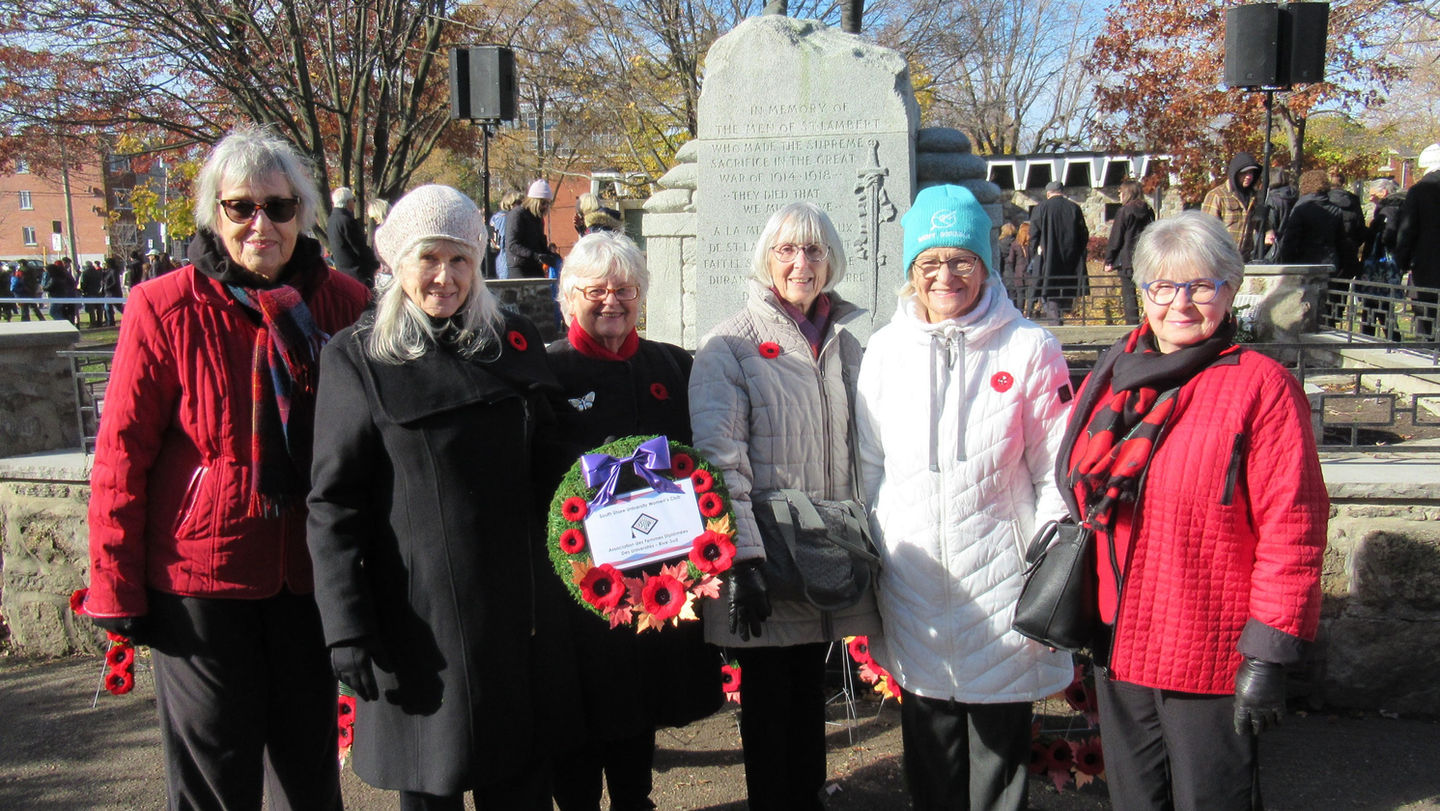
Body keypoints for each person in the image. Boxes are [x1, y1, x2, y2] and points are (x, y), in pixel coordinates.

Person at [77, 124, 369, 809]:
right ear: (214, 214)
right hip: (200, 585)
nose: (260, 223)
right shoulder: (164, 306)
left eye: (279, 206)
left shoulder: (344, 305)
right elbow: (121, 455)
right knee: (215, 783)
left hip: (307, 579)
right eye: (241, 207)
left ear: (305, 214)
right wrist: (114, 588)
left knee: (310, 779)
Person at [1056, 211, 1327, 810]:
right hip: (1119, 640)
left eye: (1202, 285)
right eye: (1163, 286)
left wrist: (1269, 652)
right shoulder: (1115, 374)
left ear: (1230, 291)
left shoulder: (1261, 385)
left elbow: (1295, 528)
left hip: (1208, 650)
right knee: (1135, 801)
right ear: (1142, 292)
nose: (1181, 302)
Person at [307, 184, 558, 810]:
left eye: (461, 260)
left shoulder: (511, 341)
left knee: (520, 784)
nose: (445, 278)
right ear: (397, 262)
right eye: (429, 259)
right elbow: (333, 504)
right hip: (419, 622)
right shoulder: (359, 357)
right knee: (431, 789)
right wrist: (346, 627)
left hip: (515, 617)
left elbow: (555, 467)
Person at [854, 185, 1074, 811]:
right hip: (915, 583)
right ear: (911, 274)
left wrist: (1044, 560)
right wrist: (883, 538)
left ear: (984, 264)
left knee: (998, 764)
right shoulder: (885, 353)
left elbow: (1055, 469)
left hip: (1004, 580)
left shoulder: (1030, 347)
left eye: (961, 260)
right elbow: (871, 465)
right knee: (931, 756)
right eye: (930, 263)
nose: (946, 276)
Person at [689, 201, 882, 811]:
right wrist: (742, 558)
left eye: (815, 251)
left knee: (807, 692)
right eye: (787, 251)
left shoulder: (846, 345)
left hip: (823, 549)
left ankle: (807, 798)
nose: (802, 263)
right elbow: (721, 460)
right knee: (771, 703)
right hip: (766, 554)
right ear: (766, 260)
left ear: (831, 262)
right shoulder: (730, 346)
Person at [545, 231, 723, 811]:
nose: (611, 302)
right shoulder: (546, 374)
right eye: (595, 291)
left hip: (651, 578)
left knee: (635, 709)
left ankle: (635, 801)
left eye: (624, 289)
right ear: (569, 298)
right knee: (574, 720)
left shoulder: (671, 367)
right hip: (574, 583)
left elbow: (700, 465)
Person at [1278, 169, 1360, 278]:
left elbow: (1291, 239)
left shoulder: (1301, 208)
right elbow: (1340, 240)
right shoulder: (1335, 209)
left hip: (1304, 263)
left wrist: (1286, 263)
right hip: (1329, 262)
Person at [1028, 180, 1089, 324]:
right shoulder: (1074, 208)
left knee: (1051, 293)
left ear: (1048, 193)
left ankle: (1056, 326)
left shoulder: (1041, 208)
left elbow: (1034, 234)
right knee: (1065, 291)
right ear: (1062, 192)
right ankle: (1060, 318)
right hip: (1071, 260)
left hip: (1048, 259)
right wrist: (1077, 251)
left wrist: (1034, 253)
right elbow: (1084, 234)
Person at [1396, 143, 1440, 340]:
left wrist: (1402, 261)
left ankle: (1426, 358)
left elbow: (1407, 230)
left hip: (1427, 265)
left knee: (1425, 320)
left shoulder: (1419, 191)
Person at [1104, 178, 1155, 324]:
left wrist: (1109, 260)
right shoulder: (1148, 210)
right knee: (1148, 290)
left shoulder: (1124, 211)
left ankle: (1131, 323)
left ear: (1127, 192)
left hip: (1126, 257)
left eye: (1120, 192)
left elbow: (1116, 237)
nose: (1119, 195)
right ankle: (1150, 320)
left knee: (1129, 293)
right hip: (1145, 255)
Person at [1203, 153, 1263, 260]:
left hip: (1244, 259)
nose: (1249, 176)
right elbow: (1206, 230)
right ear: (1235, 173)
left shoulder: (1254, 197)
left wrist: (1268, 231)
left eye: (1251, 172)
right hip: (1221, 259)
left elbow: (1261, 222)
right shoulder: (1217, 195)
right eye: (1244, 173)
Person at [505, 178, 560, 279]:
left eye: (548, 203)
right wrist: (535, 256)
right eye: (543, 203)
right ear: (534, 201)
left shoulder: (537, 218)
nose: (545, 207)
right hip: (519, 266)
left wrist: (551, 256)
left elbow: (540, 244)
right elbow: (512, 245)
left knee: (541, 292)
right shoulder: (517, 214)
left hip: (534, 265)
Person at [327, 186, 380, 289]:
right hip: (358, 274)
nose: (354, 204)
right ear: (348, 202)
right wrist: (375, 263)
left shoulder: (331, 220)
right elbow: (360, 248)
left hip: (343, 273)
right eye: (353, 200)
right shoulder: (346, 221)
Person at [489, 189, 522, 280]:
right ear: (510, 203)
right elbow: (503, 242)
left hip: (504, 258)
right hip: (506, 259)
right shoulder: (505, 218)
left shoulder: (498, 217)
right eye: (518, 202)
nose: (521, 206)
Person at [1009, 221, 1034, 311]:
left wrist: (1014, 270)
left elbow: (1011, 260)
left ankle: (1020, 313)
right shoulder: (1031, 245)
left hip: (1018, 272)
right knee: (1031, 295)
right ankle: (1029, 314)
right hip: (1030, 272)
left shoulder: (1014, 245)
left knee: (1020, 295)